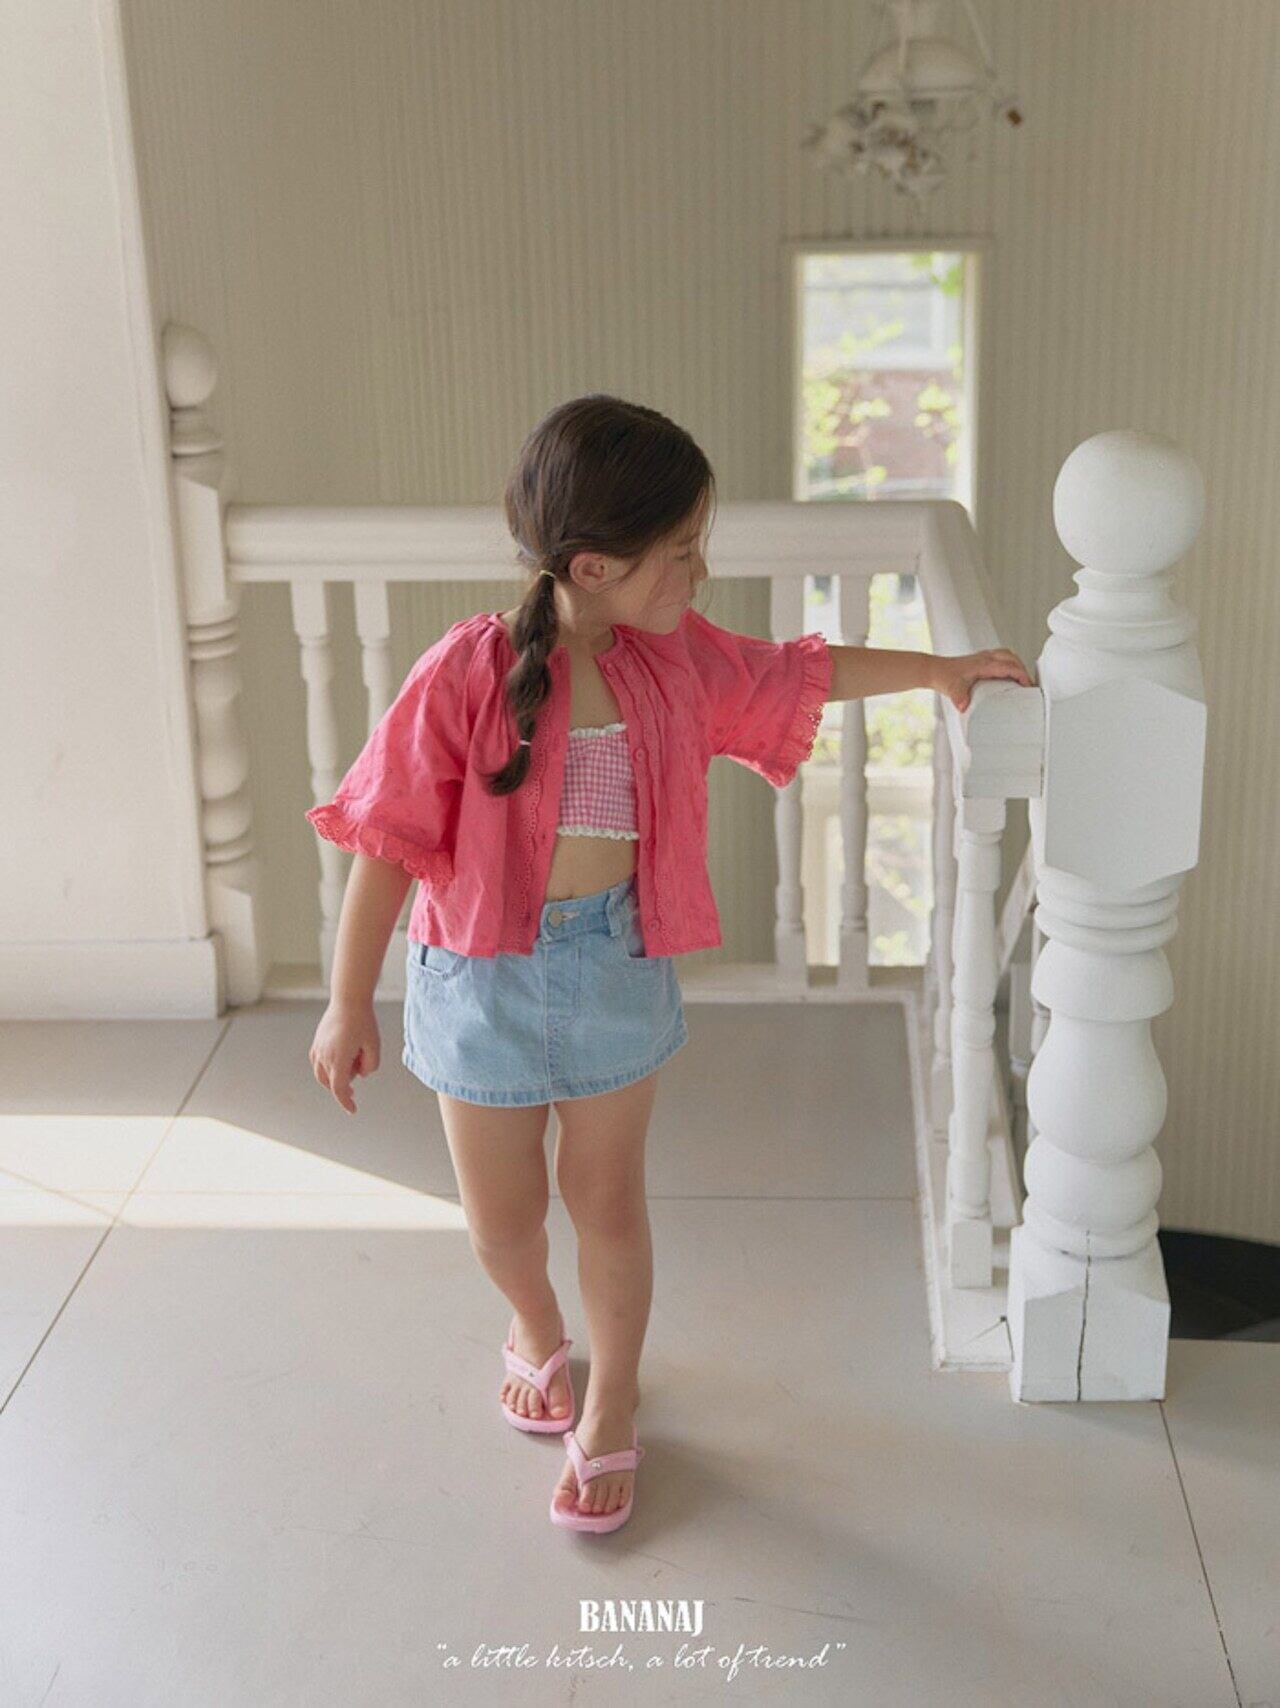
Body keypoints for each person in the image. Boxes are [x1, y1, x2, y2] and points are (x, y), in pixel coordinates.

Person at [305, 394, 1033, 1534]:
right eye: (682, 552)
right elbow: (387, 840)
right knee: (501, 1220)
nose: (700, 571)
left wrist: (936, 669)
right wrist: (348, 999)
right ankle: (537, 1327)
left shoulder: (677, 660)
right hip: (476, 979)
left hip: (615, 968)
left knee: (607, 1202)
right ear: (594, 566)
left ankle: (613, 1396)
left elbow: (795, 673)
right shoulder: (465, 672)